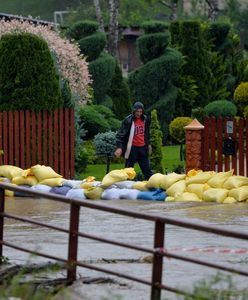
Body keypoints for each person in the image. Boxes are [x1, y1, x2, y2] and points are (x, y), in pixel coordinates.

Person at [115, 101, 153, 180]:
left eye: (140, 112)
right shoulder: (128, 120)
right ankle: (127, 188)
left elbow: (146, 134)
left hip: (142, 148)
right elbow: (120, 135)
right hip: (132, 149)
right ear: (134, 111)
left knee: (147, 170)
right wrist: (119, 147)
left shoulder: (145, 119)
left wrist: (148, 144)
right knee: (128, 171)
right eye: (137, 111)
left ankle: (152, 186)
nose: (139, 114)